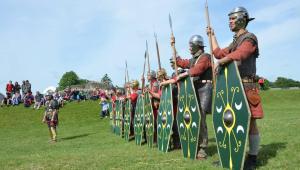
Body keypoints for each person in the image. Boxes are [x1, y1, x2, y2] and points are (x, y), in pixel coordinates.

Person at [207, 6, 264, 169]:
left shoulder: (249, 38)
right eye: (229, 19)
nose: (230, 22)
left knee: (250, 123)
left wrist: (223, 61)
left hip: (247, 86)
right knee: (229, 122)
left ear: (242, 19)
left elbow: (241, 54)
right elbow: (218, 53)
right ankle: (230, 155)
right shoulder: (235, 41)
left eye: (232, 19)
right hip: (233, 88)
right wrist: (212, 35)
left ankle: (252, 157)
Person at [173, 34, 213, 159]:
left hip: (204, 89)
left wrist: (185, 74)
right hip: (194, 89)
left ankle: (202, 148)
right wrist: (173, 47)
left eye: (191, 45)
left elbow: (198, 69)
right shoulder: (193, 59)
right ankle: (195, 143)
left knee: (200, 117)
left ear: (197, 45)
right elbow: (181, 62)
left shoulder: (205, 57)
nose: (189, 47)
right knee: (192, 117)